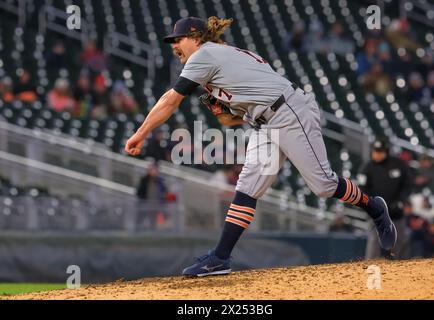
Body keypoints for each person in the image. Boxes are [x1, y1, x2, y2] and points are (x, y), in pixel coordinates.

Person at [125, 16, 397, 277]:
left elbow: (171, 100)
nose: (174, 45)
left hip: (289, 112)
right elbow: (231, 121)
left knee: (323, 186)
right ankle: (220, 257)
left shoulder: (204, 55)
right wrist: (222, 112)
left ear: (195, 38)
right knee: (247, 187)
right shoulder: (220, 59)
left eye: (178, 39)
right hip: (265, 120)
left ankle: (374, 207)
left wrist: (141, 133)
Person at [357, 137, 412, 259]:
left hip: (396, 209)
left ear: (386, 151)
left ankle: (398, 266)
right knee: (374, 239)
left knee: (400, 239)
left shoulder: (398, 165)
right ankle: (371, 266)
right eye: (375, 151)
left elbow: (407, 184)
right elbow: (362, 190)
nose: (377, 154)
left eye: (380, 151)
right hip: (377, 210)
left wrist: (401, 200)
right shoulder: (367, 168)